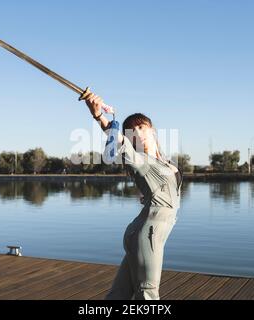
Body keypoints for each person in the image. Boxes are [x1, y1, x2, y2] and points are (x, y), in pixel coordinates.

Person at [85, 93, 183, 300]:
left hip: (146, 234)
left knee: (118, 295)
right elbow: (116, 139)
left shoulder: (167, 162)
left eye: (141, 127)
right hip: (148, 234)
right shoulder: (139, 160)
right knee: (147, 293)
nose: (137, 132)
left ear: (152, 130)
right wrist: (99, 117)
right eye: (132, 131)